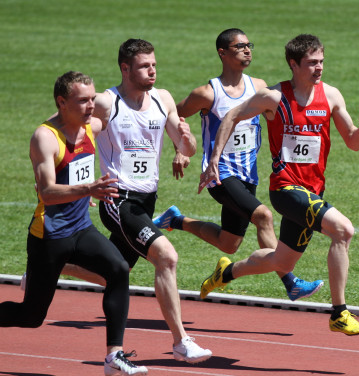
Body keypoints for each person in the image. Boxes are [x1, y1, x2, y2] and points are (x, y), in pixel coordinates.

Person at [198, 34, 359, 336]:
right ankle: (339, 313)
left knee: (280, 260)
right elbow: (231, 116)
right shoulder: (274, 97)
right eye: (311, 63)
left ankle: (226, 272)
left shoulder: (331, 95)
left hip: (313, 191)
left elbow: (353, 142)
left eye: (321, 61)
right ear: (293, 64)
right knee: (343, 230)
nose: (319, 68)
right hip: (286, 189)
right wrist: (214, 159)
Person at [65, 39, 212, 363]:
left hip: (146, 200)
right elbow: (66, 123)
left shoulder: (163, 99)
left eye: (154, 65)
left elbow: (185, 147)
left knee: (114, 272)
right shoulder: (107, 102)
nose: (152, 71)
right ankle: (181, 341)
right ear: (125, 68)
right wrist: (79, 186)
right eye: (145, 66)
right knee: (166, 257)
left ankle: (50, 267)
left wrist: (186, 142)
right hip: (118, 200)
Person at [152, 28, 323, 301]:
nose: (247, 50)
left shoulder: (260, 87)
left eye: (249, 45)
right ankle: (290, 282)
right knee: (263, 216)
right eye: (239, 46)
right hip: (219, 174)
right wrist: (181, 150)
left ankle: (175, 220)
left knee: (228, 243)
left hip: (248, 174)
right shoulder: (208, 93)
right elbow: (174, 115)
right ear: (222, 53)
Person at [0, 71, 148, 375]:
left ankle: (114, 356)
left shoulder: (90, 126)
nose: (91, 106)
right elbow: (46, 193)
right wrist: (88, 189)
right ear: (61, 102)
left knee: (119, 269)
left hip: (80, 229)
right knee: (32, 316)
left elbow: (118, 113)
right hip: (50, 236)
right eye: (83, 100)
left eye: (92, 99)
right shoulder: (45, 138)